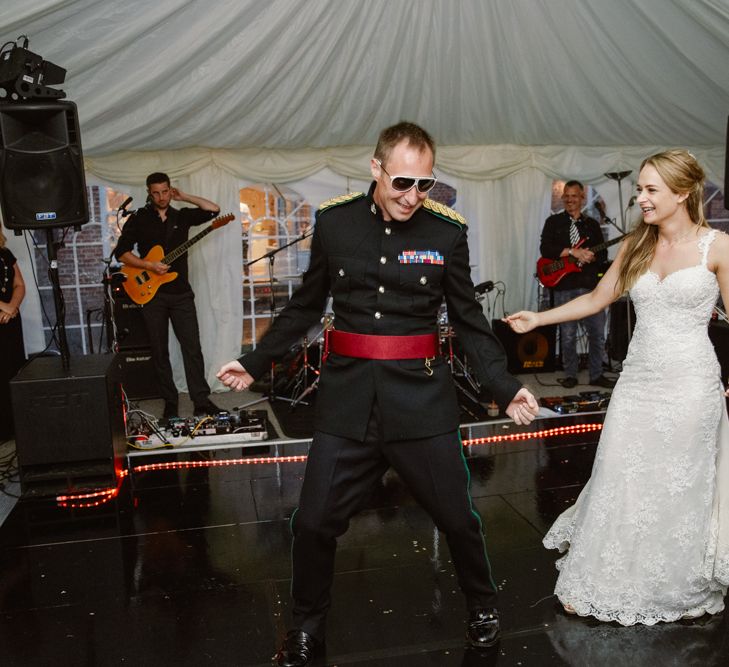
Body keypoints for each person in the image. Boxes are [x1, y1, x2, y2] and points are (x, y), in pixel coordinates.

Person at [218, 122, 540, 665]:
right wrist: (255, 362)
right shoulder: (335, 223)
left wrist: (505, 389)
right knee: (313, 523)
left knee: (459, 519)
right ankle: (305, 628)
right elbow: (304, 306)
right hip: (348, 402)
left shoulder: (446, 232)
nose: (413, 197)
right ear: (376, 169)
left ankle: (483, 609)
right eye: (402, 183)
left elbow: (468, 320)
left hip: (420, 402)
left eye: (425, 185)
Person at [505, 149, 729, 625]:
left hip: (692, 386)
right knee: (620, 475)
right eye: (641, 189)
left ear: (683, 193)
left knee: (677, 484)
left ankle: (676, 581)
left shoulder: (719, 247)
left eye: (651, 190)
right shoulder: (635, 246)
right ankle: (609, 578)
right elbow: (594, 297)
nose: (641, 200)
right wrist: (537, 318)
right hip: (638, 382)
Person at [114, 172, 221, 419]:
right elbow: (122, 253)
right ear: (149, 193)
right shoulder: (139, 219)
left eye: (165, 191)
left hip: (181, 293)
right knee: (160, 351)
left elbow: (214, 210)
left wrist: (184, 196)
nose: (161, 197)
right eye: (156, 193)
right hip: (151, 295)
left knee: (192, 348)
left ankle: (201, 401)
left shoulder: (181, 216)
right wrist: (148, 266)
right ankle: (170, 402)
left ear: (170, 190)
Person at [539, 181, 614, 389]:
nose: (570, 200)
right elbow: (546, 249)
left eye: (574, 196)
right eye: (567, 196)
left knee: (597, 333)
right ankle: (570, 374)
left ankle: (596, 374)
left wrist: (591, 257)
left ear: (582, 198)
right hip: (565, 286)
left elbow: (603, 255)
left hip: (591, 287)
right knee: (568, 334)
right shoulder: (553, 222)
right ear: (563, 198)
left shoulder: (592, 225)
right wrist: (572, 252)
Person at [0, 224, 26, 441]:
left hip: (9, 321)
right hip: (3, 313)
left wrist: (13, 307)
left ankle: (15, 428)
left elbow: (19, 284)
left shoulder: (5, 253)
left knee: (13, 371)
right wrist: (4, 306)